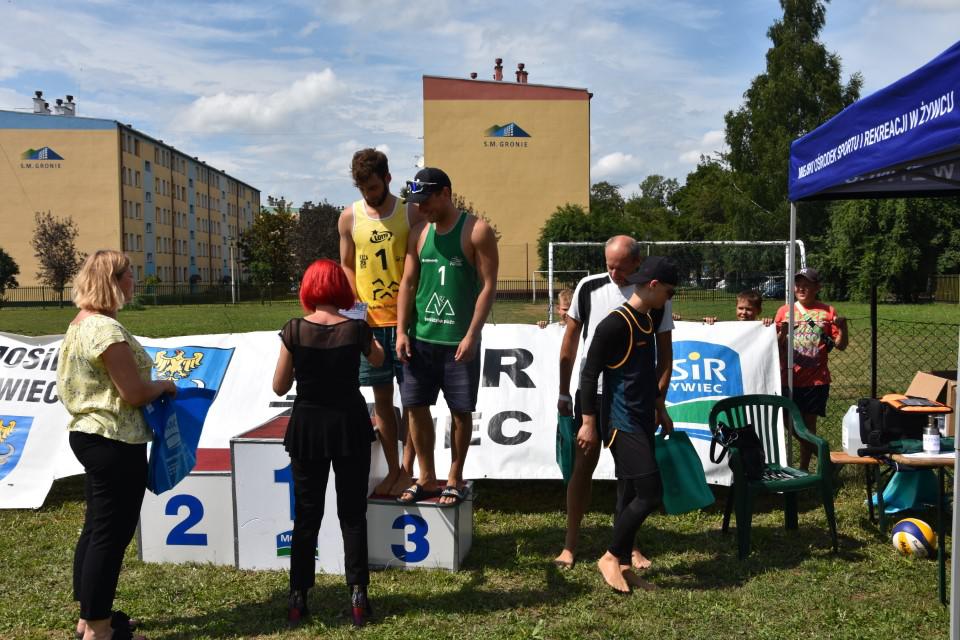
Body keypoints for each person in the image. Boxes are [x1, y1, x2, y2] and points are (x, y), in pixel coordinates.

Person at [57, 250, 177, 640]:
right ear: (114, 281)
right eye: (129, 275)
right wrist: (164, 385)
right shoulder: (106, 330)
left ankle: (90, 616)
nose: (134, 281)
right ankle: (98, 629)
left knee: (96, 528)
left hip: (90, 433)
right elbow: (134, 392)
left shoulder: (80, 323)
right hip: (114, 438)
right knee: (110, 536)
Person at [272, 259, 385, 628]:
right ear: (340, 289)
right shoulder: (356, 329)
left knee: (307, 515)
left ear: (308, 289)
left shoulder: (293, 329)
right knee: (352, 513)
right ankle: (358, 594)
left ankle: (298, 596)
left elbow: (279, 386)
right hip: (349, 424)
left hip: (308, 426)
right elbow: (379, 359)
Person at [554, 236, 675, 570]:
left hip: (633, 398)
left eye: (621, 268)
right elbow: (570, 343)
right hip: (593, 395)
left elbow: (664, 356)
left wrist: (659, 402)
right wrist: (564, 392)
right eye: (609, 266)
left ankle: (627, 547)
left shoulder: (656, 294)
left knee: (632, 476)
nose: (614, 273)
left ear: (637, 264)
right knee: (582, 467)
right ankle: (570, 543)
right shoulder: (589, 287)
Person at [395, 167, 499, 506]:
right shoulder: (418, 232)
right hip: (420, 340)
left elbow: (488, 286)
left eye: (426, 201)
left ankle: (454, 476)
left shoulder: (477, 230)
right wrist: (401, 331)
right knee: (415, 407)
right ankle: (425, 476)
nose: (421, 208)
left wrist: (472, 335)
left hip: (458, 343)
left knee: (460, 411)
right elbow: (408, 283)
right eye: (417, 202)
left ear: (445, 193)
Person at [579, 256, 678, 592]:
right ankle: (610, 556)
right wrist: (588, 421)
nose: (670, 298)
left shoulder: (647, 319)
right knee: (651, 493)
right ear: (653, 286)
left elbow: (645, 375)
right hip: (621, 422)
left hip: (643, 416)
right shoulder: (614, 324)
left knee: (631, 492)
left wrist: (660, 408)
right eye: (669, 292)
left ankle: (623, 565)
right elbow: (589, 375)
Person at [338, 148, 422, 496]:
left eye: (373, 187)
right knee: (383, 401)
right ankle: (393, 470)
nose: (368, 194)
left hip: (408, 324)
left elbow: (418, 264)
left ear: (387, 178)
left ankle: (409, 470)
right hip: (370, 327)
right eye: (362, 189)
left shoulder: (411, 213)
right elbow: (346, 265)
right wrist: (357, 313)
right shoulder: (349, 218)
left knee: (414, 401)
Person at [774, 267, 848, 471]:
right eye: (798, 284)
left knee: (808, 426)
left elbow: (840, 345)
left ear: (817, 287)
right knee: (787, 421)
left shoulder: (827, 311)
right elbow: (776, 345)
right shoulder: (783, 311)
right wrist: (783, 332)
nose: (801, 288)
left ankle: (804, 469)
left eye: (806, 285)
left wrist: (843, 327)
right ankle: (826, 459)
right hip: (788, 378)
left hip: (816, 380)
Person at [695, 289, 773, 325]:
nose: (744, 312)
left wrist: (768, 324)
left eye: (749, 309)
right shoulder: (729, 328)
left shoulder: (764, 327)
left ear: (759, 311)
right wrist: (710, 324)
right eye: (740, 308)